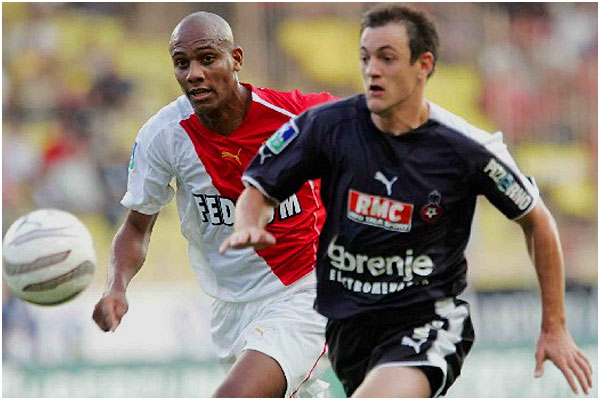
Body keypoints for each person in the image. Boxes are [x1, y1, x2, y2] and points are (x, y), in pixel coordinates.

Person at [220, 4, 593, 398]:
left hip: (426, 322)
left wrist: (555, 326)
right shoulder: (327, 127)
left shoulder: (466, 148)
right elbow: (259, 186)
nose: (372, 70)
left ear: (423, 65)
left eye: (387, 58)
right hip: (349, 327)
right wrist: (249, 223)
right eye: (365, 58)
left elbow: (537, 220)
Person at [92, 11, 337, 398]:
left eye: (207, 59)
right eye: (181, 63)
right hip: (230, 308)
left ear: (236, 59)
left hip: (307, 289)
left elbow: (375, 129)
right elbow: (137, 227)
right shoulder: (163, 136)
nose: (194, 74)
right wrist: (116, 287)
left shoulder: (295, 118)